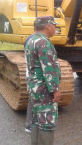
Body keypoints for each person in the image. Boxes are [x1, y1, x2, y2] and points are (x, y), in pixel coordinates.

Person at [24, 16, 61, 145]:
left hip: (34, 86)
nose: (55, 28)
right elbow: (49, 69)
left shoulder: (31, 40)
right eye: (54, 26)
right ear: (48, 26)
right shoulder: (43, 42)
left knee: (36, 120)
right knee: (47, 122)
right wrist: (55, 89)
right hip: (44, 89)